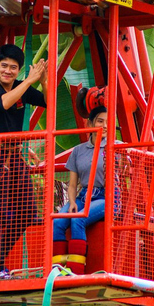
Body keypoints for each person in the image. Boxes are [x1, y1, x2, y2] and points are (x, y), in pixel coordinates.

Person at [0, 44, 48, 273]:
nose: (8, 71)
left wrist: (44, 79)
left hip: (14, 154)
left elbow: (48, 102)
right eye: (4, 66)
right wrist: (29, 81)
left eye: (13, 67)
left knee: (27, 212)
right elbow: (3, 103)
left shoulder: (19, 86)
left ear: (18, 70)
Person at [52, 106, 108, 275]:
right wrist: (72, 202)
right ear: (89, 123)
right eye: (100, 121)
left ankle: (75, 271)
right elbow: (72, 184)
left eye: (108, 122)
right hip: (83, 196)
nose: (104, 126)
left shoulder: (115, 147)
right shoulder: (78, 151)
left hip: (107, 196)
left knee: (78, 220)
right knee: (57, 222)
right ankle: (58, 269)